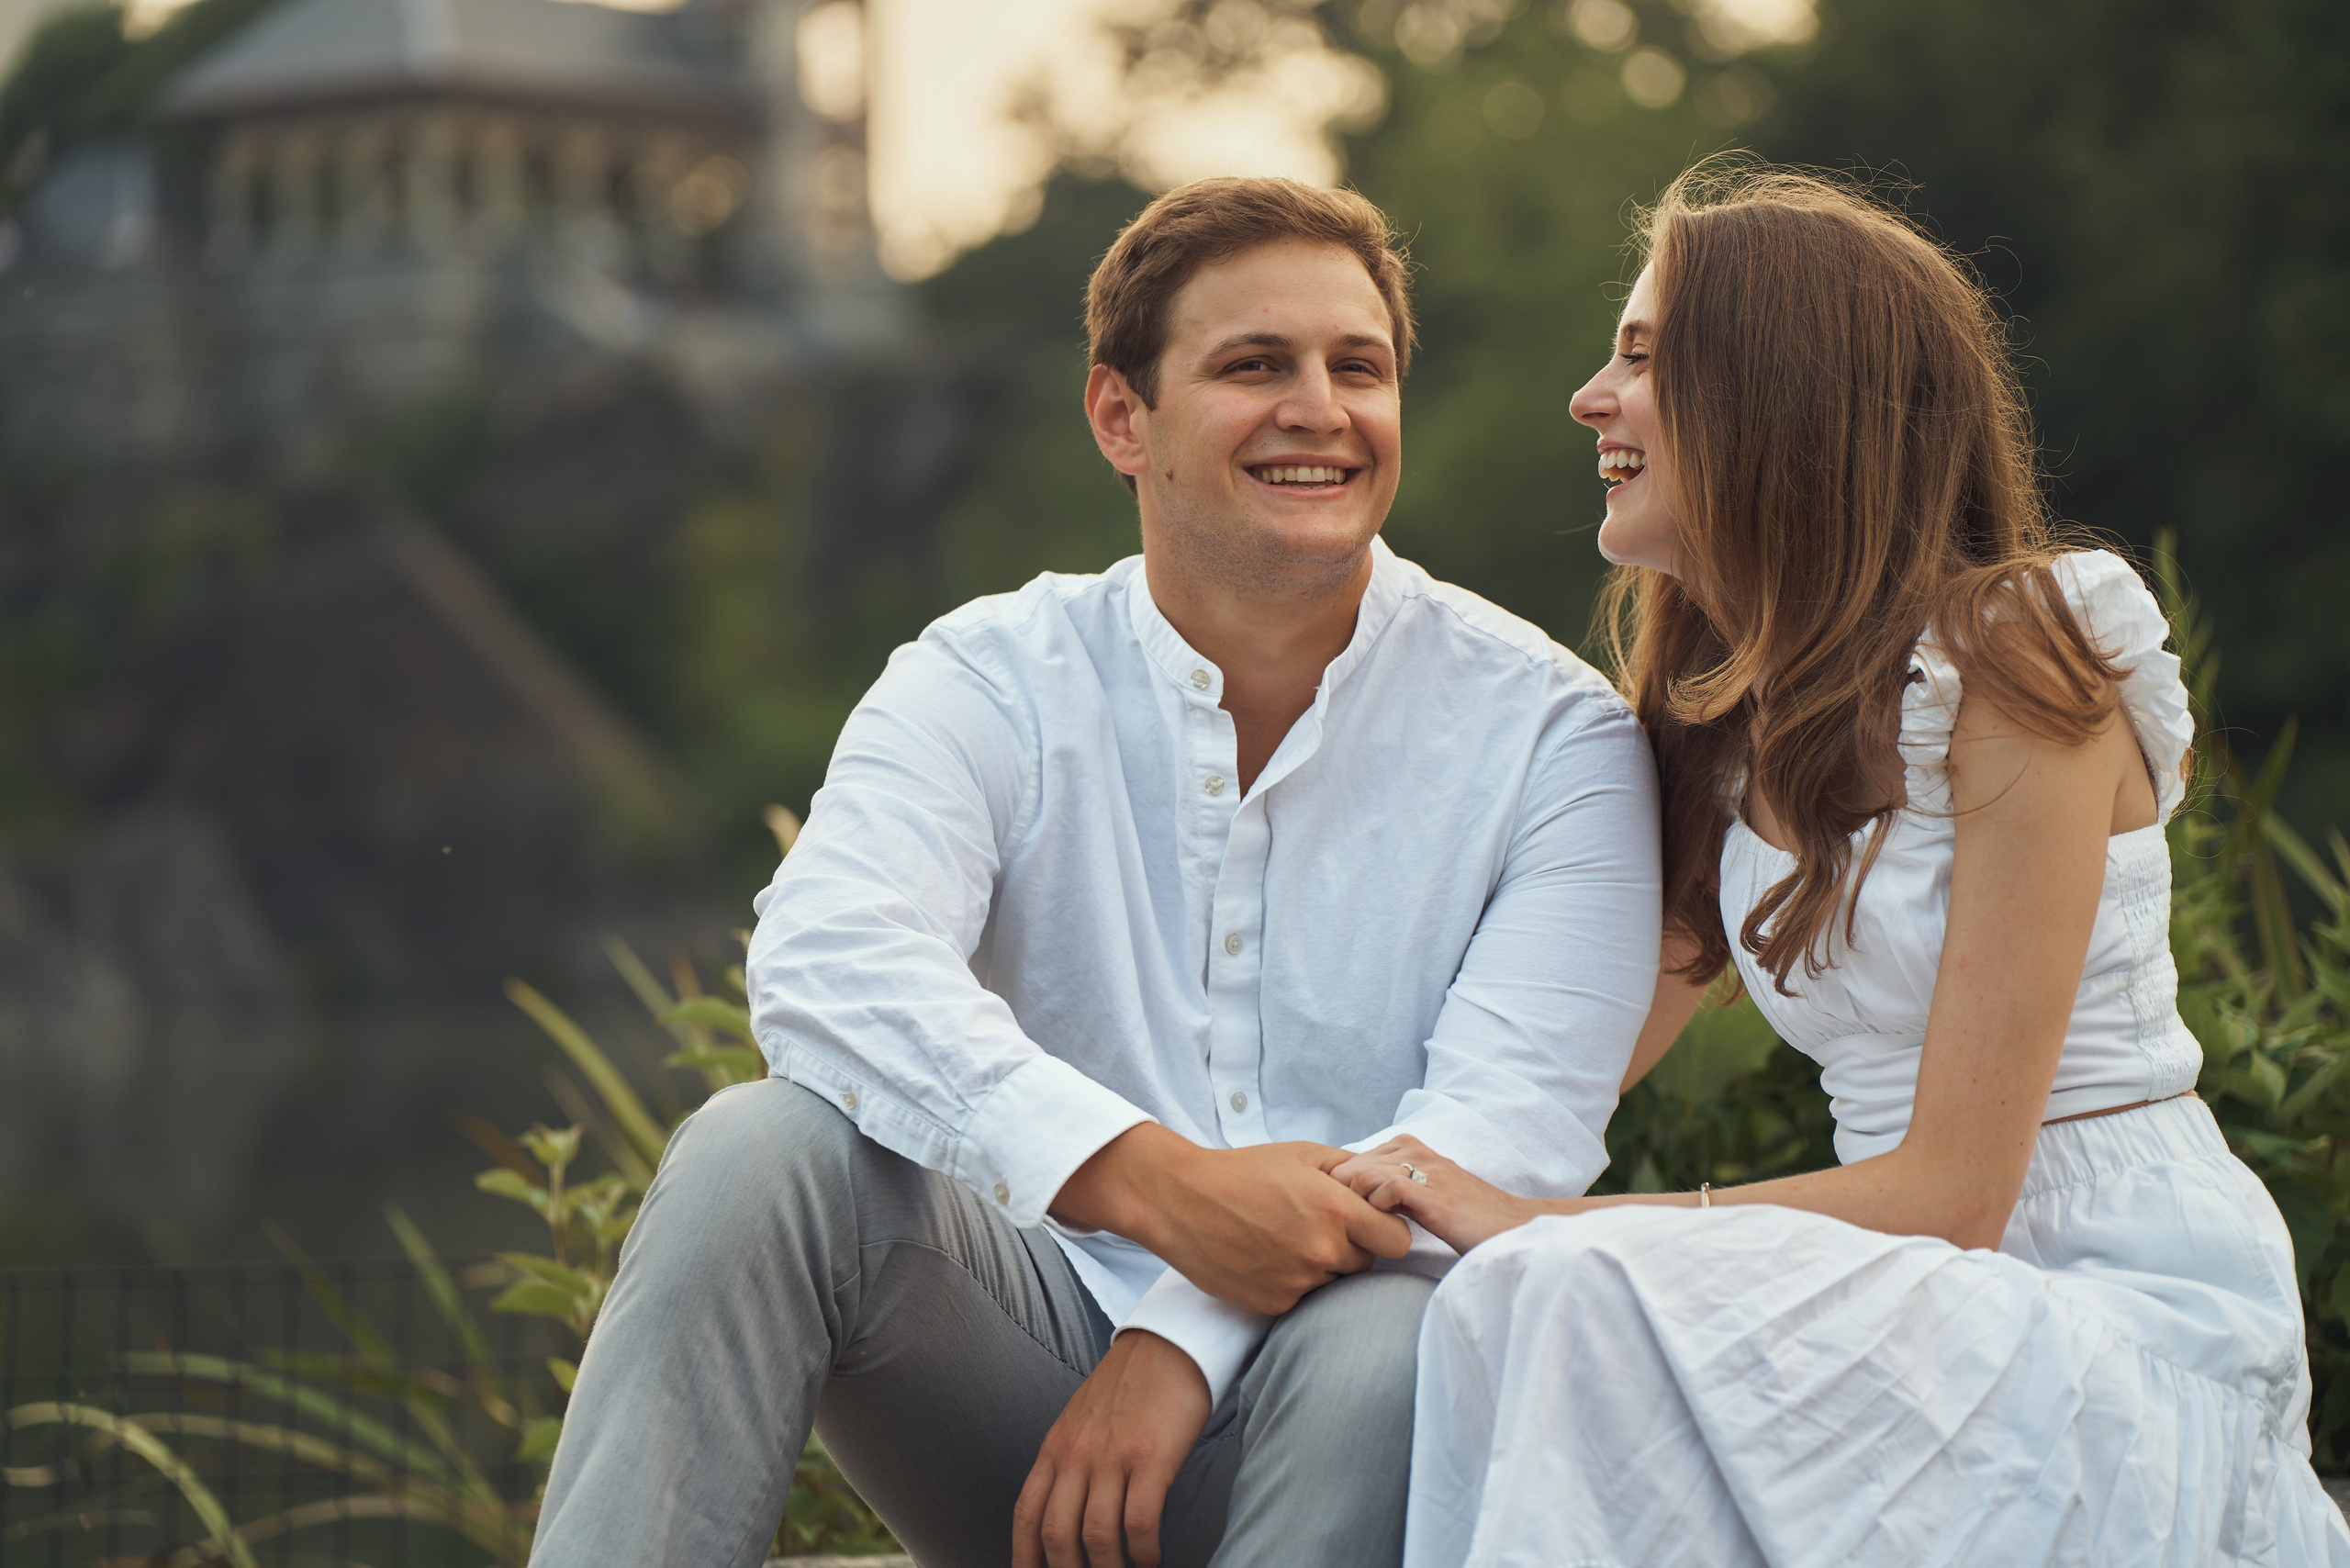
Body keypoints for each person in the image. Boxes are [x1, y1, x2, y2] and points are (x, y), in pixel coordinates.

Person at [527, 177, 1662, 1568]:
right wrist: (1145, 1181)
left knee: (1400, 1327)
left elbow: (1496, 1140)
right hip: (1017, 1395)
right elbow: (829, 963)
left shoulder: (1558, 739)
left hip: (1360, 1415)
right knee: (760, 1151)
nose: (1320, 408)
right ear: (1121, 417)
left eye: (1357, 367)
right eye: (1255, 364)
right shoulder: (991, 677)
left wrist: (1181, 1338)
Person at [1334, 162, 2350, 1567]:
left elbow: (1956, 1193)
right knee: (1501, 1294)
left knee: (1559, 1277)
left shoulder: (2019, 657)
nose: (1590, 397)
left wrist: (1542, 1223)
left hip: (2109, 1295)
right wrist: (1319, 1179)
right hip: (1898, 1290)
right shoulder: (1715, 721)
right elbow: (1562, 1063)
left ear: (1772, 392)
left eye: (1640, 355)